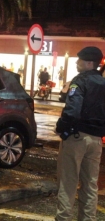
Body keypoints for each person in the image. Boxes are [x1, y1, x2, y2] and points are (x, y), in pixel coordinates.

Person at [55, 46, 105, 221]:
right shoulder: (103, 82)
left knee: (68, 182)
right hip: (97, 139)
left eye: (80, 60)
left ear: (89, 63)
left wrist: (61, 126)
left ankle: (63, 218)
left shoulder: (79, 81)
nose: (77, 63)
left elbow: (72, 111)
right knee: (90, 185)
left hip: (77, 137)